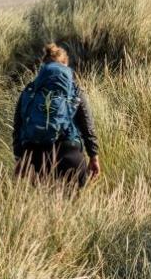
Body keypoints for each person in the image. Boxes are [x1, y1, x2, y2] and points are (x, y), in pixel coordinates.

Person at [13, 42, 100, 187]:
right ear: (65, 65)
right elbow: (87, 126)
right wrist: (93, 156)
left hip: (34, 158)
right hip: (70, 154)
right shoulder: (74, 90)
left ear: (43, 66)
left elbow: (18, 128)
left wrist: (19, 159)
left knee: (41, 207)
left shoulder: (29, 91)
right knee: (74, 207)